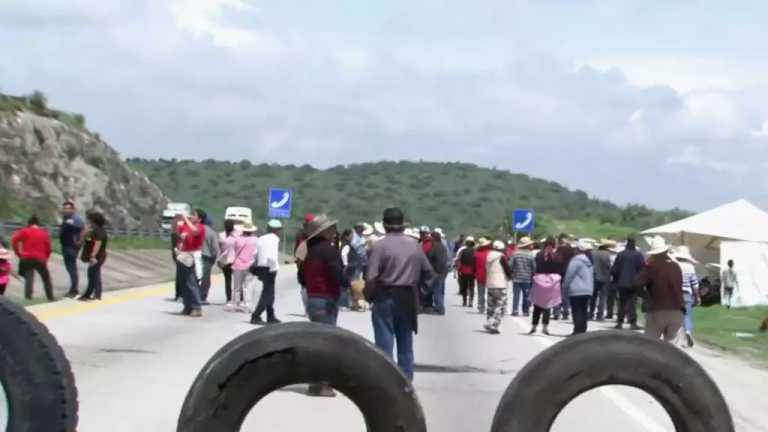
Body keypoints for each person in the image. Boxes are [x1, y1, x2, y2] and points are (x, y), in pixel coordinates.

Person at [365, 208, 435, 381]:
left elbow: (371, 276)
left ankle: (386, 381)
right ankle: (406, 382)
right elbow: (430, 274)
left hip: (385, 294)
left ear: (384, 224)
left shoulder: (380, 246)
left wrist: (369, 295)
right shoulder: (414, 246)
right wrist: (421, 293)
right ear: (403, 225)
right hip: (408, 296)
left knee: (384, 342)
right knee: (405, 343)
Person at [298, 214, 348, 397]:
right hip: (325, 298)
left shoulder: (307, 250)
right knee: (326, 344)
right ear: (325, 232)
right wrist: (347, 282)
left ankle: (315, 382)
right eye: (332, 229)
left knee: (316, 341)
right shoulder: (329, 250)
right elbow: (337, 275)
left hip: (312, 298)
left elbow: (301, 277)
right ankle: (322, 384)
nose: (334, 232)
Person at [635, 237, 684, 342]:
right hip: (677, 310)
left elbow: (636, 283)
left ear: (653, 253)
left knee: (650, 346)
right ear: (666, 251)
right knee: (673, 350)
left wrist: (645, 296)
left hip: (658, 309)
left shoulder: (652, 266)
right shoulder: (676, 266)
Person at [11, 216, 54, 302]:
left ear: (29, 223)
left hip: (27, 258)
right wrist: (45, 258)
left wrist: (18, 253)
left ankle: (28, 298)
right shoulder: (44, 233)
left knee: (29, 278)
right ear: (38, 224)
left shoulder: (24, 231)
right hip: (40, 258)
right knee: (46, 279)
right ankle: (50, 297)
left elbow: (14, 239)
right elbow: (49, 249)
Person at [251, 219, 283, 325]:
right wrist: (273, 268)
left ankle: (270, 315)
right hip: (270, 268)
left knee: (270, 293)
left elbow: (254, 254)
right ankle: (256, 316)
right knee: (267, 294)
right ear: (278, 230)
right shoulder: (275, 239)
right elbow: (272, 255)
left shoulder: (260, 238)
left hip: (261, 267)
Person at [175, 210, 206, 317]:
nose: (191, 216)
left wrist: (186, 220)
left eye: (194, 215)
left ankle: (196, 307)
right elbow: (178, 232)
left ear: (199, 218)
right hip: (182, 255)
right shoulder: (186, 226)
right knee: (183, 283)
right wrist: (179, 221)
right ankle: (187, 306)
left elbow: (195, 231)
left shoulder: (200, 227)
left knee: (191, 283)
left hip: (191, 256)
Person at [529, 237, 562, 335]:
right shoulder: (557, 255)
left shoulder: (539, 254)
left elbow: (535, 267)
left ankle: (534, 326)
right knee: (548, 305)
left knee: (537, 305)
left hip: (539, 280)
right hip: (552, 282)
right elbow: (559, 266)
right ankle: (545, 327)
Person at [611, 238, 645, 330]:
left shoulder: (620, 255)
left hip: (621, 282)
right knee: (632, 303)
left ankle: (619, 322)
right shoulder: (638, 255)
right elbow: (642, 269)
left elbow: (614, 270)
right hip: (634, 282)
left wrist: (615, 280)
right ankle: (632, 322)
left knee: (622, 303)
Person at [564, 241, 595, 334]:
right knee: (583, 311)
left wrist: (565, 285)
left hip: (576, 289)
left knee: (576, 311)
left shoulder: (576, 260)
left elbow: (570, 274)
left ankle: (577, 331)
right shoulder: (589, 261)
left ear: (578, 250)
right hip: (587, 289)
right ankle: (582, 330)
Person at [78, 211, 108, 301]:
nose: (88, 221)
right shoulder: (96, 229)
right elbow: (84, 239)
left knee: (93, 274)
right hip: (99, 256)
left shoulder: (97, 230)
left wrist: (92, 256)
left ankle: (92, 294)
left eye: (89, 220)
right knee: (94, 274)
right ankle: (94, 294)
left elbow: (97, 244)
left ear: (93, 220)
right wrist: (85, 232)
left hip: (97, 256)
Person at [673, 246, 700, 347]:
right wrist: (697, 297)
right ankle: (688, 331)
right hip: (687, 294)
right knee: (687, 316)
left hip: (676, 294)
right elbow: (695, 284)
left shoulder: (674, 265)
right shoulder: (690, 267)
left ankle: (676, 338)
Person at [484, 240, 512, 334]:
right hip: (500, 284)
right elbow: (507, 269)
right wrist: (510, 277)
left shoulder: (488, 256)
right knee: (501, 305)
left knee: (491, 305)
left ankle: (490, 323)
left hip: (490, 283)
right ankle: (493, 324)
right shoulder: (501, 257)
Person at [229, 223, 257, 312]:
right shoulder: (256, 240)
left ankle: (235, 303)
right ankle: (247, 305)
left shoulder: (238, 239)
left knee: (236, 286)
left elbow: (235, 251)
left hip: (238, 264)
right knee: (248, 286)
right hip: (251, 265)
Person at [59, 200, 85, 298]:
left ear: (73, 209)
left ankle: (74, 290)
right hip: (66, 246)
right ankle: (73, 289)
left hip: (71, 247)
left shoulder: (75, 219)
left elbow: (83, 229)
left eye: (68, 208)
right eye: (65, 208)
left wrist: (79, 243)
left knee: (72, 268)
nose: (66, 210)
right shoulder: (66, 218)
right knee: (70, 268)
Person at [295, 214, 317, 314]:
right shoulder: (302, 234)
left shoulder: (303, 233)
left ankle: (309, 308)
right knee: (305, 286)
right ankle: (308, 308)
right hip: (304, 261)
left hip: (309, 261)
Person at [590, 239, 615, 321]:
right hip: (604, 278)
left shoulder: (593, 253)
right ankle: (599, 315)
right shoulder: (607, 254)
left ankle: (590, 313)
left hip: (594, 277)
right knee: (602, 297)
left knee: (593, 297)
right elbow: (609, 266)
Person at [510, 236, 536, 316]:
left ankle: (515, 310)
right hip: (527, 279)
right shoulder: (531, 255)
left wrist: (512, 272)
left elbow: (510, 265)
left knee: (516, 295)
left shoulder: (515, 254)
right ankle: (526, 311)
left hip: (516, 278)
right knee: (526, 295)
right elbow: (534, 267)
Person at [426, 229, 449, 315]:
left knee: (437, 291)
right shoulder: (441, 246)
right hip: (441, 271)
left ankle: (440, 309)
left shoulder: (437, 246)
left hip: (438, 272)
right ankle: (439, 307)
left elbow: (439, 261)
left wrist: (435, 272)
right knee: (438, 290)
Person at [553, 234, 576, 320]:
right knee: (566, 294)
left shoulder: (558, 250)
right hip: (568, 273)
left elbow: (555, 261)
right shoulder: (572, 251)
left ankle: (556, 312)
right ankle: (565, 313)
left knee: (557, 293)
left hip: (558, 273)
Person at [199, 213, 220, 304]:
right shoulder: (211, 233)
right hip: (206, 257)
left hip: (193, 255)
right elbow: (215, 248)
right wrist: (215, 258)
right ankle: (202, 297)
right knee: (205, 278)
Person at [218, 219, 238, 303]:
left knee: (228, 280)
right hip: (235, 260)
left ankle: (229, 298)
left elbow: (219, 248)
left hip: (225, 261)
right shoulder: (237, 236)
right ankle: (237, 298)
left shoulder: (221, 235)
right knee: (237, 280)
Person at [455, 237, 477, 307]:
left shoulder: (462, 251)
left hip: (464, 271)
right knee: (471, 287)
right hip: (472, 271)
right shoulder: (475, 252)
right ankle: (471, 302)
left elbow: (458, 261)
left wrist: (458, 270)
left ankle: (464, 301)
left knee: (464, 287)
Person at [474, 238, 492, 314]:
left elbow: (474, 266)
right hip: (490, 276)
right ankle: (490, 307)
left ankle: (481, 307)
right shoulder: (491, 253)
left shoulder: (477, 254)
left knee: (481, 292)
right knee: (490, 293)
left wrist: (475, 274)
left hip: (480, 275)